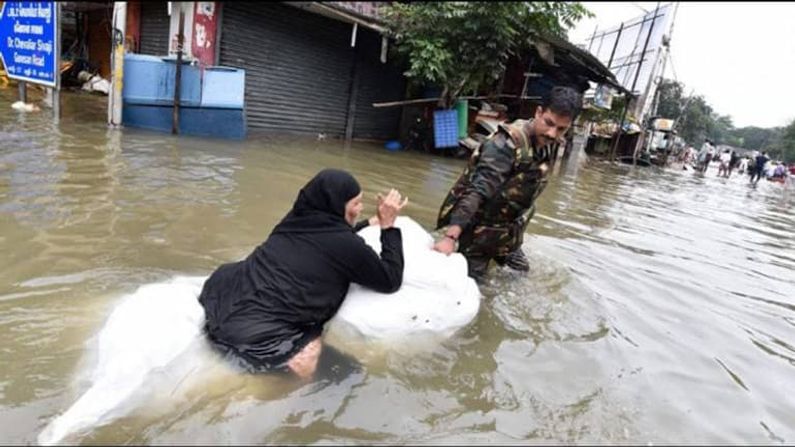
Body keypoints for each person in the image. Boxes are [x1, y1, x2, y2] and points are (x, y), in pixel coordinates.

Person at [198, 169, 408, 380]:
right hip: (259, 336)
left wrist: (367, 223)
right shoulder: (344, 245)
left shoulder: (297, 218)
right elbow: (390, 279)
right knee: (350, 375)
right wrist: (388, 226)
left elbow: (328, 237)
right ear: (337, 206)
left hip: (227, 300)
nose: (360, 208)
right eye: (356, 204)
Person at [432, 86, 582, 281]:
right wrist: (450, 238)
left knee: (520, 274)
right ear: (538, 112)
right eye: (549, 123)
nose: (553, 133)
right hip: (479, 233)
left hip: (506, 233)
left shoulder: (545, 145)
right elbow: (477, 191)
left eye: (561, 129)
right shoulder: (506, 144)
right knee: (474, 287)